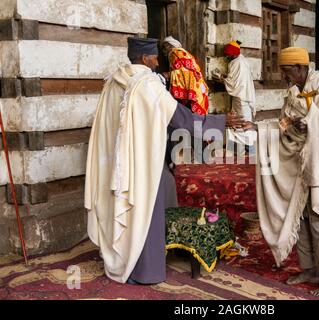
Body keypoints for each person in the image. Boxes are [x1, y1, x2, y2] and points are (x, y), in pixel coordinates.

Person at [84, 37, 245, 285]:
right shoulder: (147, 84)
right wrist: (220, 122)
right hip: (142, 163)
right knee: (144, 210)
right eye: (156, 58)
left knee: (131, 208)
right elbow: (180, 118)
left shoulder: (114, 81)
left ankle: (121, 258)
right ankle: (144, 271)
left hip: (118, 165)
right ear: (146, 58)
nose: (158, 62)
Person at [245, 47, 319, 297]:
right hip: (302, 163)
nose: (285, 77)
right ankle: (311, 269)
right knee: (304, 217)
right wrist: (255, 127)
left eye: (287, 72)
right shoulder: (293, 91)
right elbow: (283, 124)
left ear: (300, 67)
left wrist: (313, 122)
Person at [213, 40, 257, 156]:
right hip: (242, 97)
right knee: (238, 122)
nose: (227, 56)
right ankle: (240, 149)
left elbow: (233, 82)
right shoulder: (241, 60)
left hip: (241, 98)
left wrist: (222, 79)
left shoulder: (237, 63)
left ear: (233, 54)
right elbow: (237, 80)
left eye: (228, 54)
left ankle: (250, 149)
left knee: (242, 123)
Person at [161, 36, 209, 116]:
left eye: (165, 46)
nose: (164, 49)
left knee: (192, 114)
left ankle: (196, 127)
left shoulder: (174, 53)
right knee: (197, 113)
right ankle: (198, 127)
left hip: (192, 86)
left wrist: (169, 74)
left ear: (170, 45)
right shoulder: (183, 52)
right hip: (197, 85)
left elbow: (183, 71)